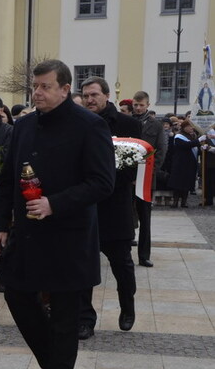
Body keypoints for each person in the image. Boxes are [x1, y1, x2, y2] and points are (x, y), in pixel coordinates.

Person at [0, 59, 114, 369]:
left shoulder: (90, 126)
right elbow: (6, 179)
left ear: (65, 89)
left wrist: (54, 204)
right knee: (16, 295)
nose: (38, 92)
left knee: (64, 314)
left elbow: (102, 183)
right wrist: (1, 224)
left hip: (68, 236)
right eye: (35, 86)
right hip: (27, 234)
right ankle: (51, 363)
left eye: (46, 86)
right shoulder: (25, 124)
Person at [78, 76, 140, 338]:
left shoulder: (129, 124)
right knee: (82, 268)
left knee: (122, 264)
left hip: (115, 206)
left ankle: (127, 306)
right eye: (86, 96)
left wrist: (101, 179)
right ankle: (84, 319)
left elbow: (132, 167)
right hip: (84, 208)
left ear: (106, 96)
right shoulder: (78, 123)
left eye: (94, 95)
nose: (90, 100)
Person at [132, 91, 168, 266]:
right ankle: (121, 250)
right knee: (124, 215)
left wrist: (151, 171)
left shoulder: (156, 126)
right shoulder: (126, 122)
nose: (138, 108)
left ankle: (144, 255)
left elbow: (161, 150)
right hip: (127, 177)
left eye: (141, 105)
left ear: (148, 105)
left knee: (145, 217)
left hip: (146, 177)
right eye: (135, 105)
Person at [168, 119, 201, 208]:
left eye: (192, 126)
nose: (192, 128)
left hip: (190, 163)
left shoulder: (193, 136)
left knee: (187, 183)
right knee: (178, 183)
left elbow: (195, 148)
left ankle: (184, 202)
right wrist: (198, 141)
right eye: (190, 126)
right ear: (184, 127)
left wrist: (202, 148)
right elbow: (184, 146)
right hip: (180, 163)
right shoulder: (179, 136)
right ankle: (175, 202)